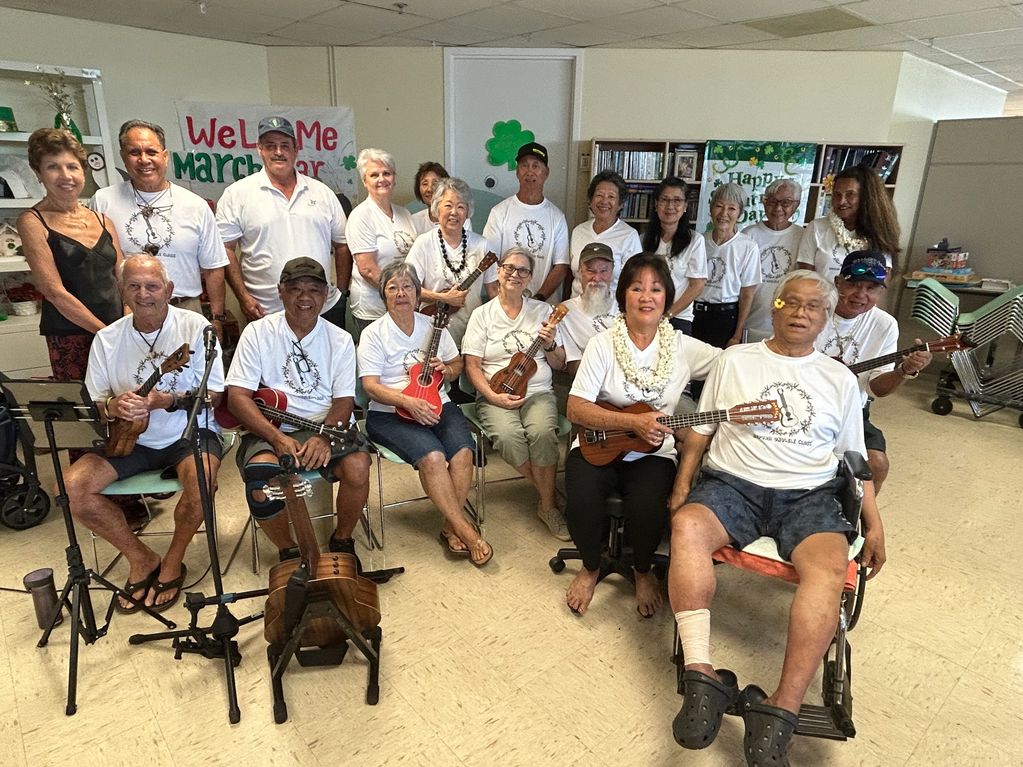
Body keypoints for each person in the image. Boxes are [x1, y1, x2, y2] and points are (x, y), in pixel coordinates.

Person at [667, 270, 886, 766]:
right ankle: (701, 676)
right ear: (777, 307)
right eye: (792, 303)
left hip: (807, 495)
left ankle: (782, 708)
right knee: (687, 528)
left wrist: (874, 524)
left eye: (814, 307)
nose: (802, 313)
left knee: (828, 569)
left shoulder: (838, 379)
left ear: (826, 319)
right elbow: (700, 429)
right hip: (732, 485)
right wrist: (681, 489)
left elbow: (856, 459)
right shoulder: (735, 361)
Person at [65, 254, 224, 613]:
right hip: (130, 440)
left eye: (152, 286)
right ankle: (141, 558)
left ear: (168, 290)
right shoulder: (107, 339)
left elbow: (215, 395)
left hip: (189, 432)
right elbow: (94, 401)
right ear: (122, 291)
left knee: (203, 482)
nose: (144, 294)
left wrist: (165, 400)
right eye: (134, 286)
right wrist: (113, 407)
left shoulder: (195, 328)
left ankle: (173, 559)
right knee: (75, 487)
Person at [564, 253, 721, 617]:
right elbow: (575, 408)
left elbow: (731, 363)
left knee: (649, 508)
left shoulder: (683, 346)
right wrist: (632, 423)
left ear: (667, 297)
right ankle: (590, 567)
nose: (646, 296)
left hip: (652, 452)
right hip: (597, 445)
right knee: (582, 501)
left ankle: (642, 570)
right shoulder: (603, 344)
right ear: (624, 296)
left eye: (655, 288)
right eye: (637, 288)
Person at [225, 257, 371, 562]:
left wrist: (324, 438)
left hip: (323, 424)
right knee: (259, 480)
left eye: (314, 290)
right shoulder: (258, 333)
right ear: (280, 291)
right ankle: (288, 551)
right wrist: (276, 439)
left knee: (358, 466)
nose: (305, 298)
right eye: (295, 289)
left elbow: (344, 400)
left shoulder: (340, 339)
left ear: (326, 294)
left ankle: (342, 539)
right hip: (271, 427)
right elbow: (238, 396)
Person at [358, 262, 493, 567]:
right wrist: (407, 401)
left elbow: (457, 364)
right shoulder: (373, 334)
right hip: (389, 412)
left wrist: (447, 370)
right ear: (384, 296)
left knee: (462, 452)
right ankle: (466, 532)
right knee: (433, 457)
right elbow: (371, 387)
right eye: (393, 287)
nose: (401, 293)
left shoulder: (433, 327)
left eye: (407, 287)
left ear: (418, 294)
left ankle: (450, 525)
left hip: (437, 403)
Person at [463, 247, 569, 540]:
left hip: (537, 392)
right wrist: (492, 396)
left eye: (523, 270)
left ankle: (546, 506)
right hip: (494, 391)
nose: (514, 274)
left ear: (530, 278)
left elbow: (559, 363)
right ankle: (548, 495)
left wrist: (549, 345)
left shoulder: (544, 313)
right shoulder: (482, 315)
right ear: (498, 272)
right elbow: (471, 365)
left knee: (542, 433)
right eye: (509, 268)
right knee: (509, 438)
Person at [91, 119, 228, 332]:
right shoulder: (103, 201)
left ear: (165, 156)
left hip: (185, 310)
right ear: (123, 157)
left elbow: (214, 268)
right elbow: (98, 266)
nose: (144, 159)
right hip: (127, 313)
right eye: (134, 152)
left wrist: (217, 318)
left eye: (151, 152)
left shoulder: (196, 206)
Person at [815, 251, 932, 494]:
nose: (861, 295)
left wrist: (904, 371)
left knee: (877, 464)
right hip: (802, 403)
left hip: (851, 410)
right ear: (837, 282)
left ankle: (862, 523)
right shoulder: (814, 309)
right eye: (853, 284)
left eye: (871, 288)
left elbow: (876, 388)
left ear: (881, 292)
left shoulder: (885, 325)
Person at [217, 116, 351, 326]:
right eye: (270, 146)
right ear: (259, 149)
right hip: (264, 311)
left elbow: (342, 245)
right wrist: (243, 297)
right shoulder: (237, 194)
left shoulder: (322, 192)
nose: (278, 152)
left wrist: (342, 293)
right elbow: (225, 249)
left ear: (295, 149)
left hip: (322, 309)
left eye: (284, 145)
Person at [16, 128, 123, 386]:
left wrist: (127, 323)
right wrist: (104, 333)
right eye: (53, 167)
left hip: (118, 329)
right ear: (38, 173)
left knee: (128, 403)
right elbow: (53, 291)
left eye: (72, 167)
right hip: (72, 336)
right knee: (88, 413)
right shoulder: (32, 221)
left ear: (83, 171)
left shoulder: (103, 219)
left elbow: (122, 275)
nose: (66, 176)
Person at [404, 177, 493, 347]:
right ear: (437, 208)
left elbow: (493, 290)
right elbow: (409, 288)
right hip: (431, 331)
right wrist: (443, 298)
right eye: (448, 205)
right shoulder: (424, 243)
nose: (454, 212)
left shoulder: (482, 245)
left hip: (472, 332)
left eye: (461, 206)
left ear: (468, 212)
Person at [482, 142, 569, 303]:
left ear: (546, 173)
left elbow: (561, 266)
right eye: (524, 165)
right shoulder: (499, 212)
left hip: (543, 305)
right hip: (506, 303)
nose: (530, 171)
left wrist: (539, 299)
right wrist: (498, 300)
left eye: (536, 166)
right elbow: (489, 258)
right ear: (517, 171)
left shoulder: (557, 217)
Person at [346, 148, 417, 332]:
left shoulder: (405, 213)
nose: (381, 179)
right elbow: (368, 269)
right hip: (374, 307)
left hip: (404, 303)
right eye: (374, 175)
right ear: (364, 181)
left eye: (386, 173)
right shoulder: (361, 216)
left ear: (394, 177)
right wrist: (398, 296)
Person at [797, 164, 901, 281]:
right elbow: (804, 277)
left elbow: (882, 281)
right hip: (821, 298)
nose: (841, 201)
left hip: (859, 298)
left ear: (866, 197)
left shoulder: (879, 233)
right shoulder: (816, 227)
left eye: (850, 194)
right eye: (837, 194)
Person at [693, 183, 761, 349]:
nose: (724, 214)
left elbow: (747, 295)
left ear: (739, 213)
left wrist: (737, 335)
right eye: (719, 206)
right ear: (710, 209)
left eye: (731, 208)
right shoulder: (698, 241)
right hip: (695, 314)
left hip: (726, 318)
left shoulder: (748, 246)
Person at [642, 176, 707, 335]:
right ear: (656, 204)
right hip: (646, 314)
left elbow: (697, 285)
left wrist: (667, 314)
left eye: (677, 200)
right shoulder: (642, 240)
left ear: (685, 206)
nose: (670, 206)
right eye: (665, 199)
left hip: (678, 318)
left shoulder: (695, 241)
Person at [741, 178, 804, 336]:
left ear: (796, 205)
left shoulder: (803, 236)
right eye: (772, 201)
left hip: (788, 324)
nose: (778, 208)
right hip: (750, 322)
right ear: (764, 203)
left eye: (786, 203)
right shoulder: (749, 234)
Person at [567, 169, 641, 298]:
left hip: (612, 309)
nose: (604, 201)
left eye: (611, 197)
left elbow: (635, 280)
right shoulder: (578, 231)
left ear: (620, 204)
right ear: (591, 200)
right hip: (577, 307)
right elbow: (570, 274)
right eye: (599, 195)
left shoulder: (629, 235)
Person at [559, 242, 619, 376]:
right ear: (580, 271)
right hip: (587, 378)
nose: (597, 278)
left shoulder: (627, 305)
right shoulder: (565, 311)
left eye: (603, 271)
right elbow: (573, 365)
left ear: (612, 271)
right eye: (590, 271)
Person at [409, 161, 449, 235]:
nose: (429, 189)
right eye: (425, 184)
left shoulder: (459, 218)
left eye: (435, 183)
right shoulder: (414, 221)